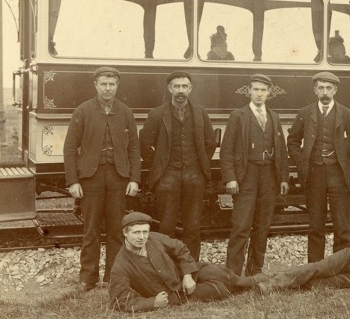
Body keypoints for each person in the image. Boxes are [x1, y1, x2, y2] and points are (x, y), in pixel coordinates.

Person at [63, 66, 141, 291]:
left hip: (118, 178)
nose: (108, 88)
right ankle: (88, 277)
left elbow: (134, 149)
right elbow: (70, 148)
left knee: (117, 229)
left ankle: (113, 277)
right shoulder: (83, 110)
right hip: (91, 178)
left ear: (117, 86)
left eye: (112, 84)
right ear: (96, 85)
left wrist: (133, 179)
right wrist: (73, 181)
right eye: (103, 84)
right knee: (91, 229)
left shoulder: (125, 112)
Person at [109, 212, 265, 312]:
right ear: (125, 233)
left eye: (145, 232)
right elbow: (119, 301)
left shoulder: (154, 238)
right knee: (220, 290)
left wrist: (188, 275)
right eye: (136, 233)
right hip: (176, 294)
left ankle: (263, 282)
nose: (142, 237)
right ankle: (263, 283)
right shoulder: (120, 265)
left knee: (224, 275)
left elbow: (180, 248)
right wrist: (152, 303)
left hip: (186, 275)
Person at [287, 71, 350, 263]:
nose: (325, 92)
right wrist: (302, 160)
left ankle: (341, 267)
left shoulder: (347, 114)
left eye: (329, 88)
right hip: (314, 174)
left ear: (335, 90)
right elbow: (293, 141)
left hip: (339, 174)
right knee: (315, 224)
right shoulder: (305, 113)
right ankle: (315, 268)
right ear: (315, 90)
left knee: (342, 224)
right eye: (321, 88)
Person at [139, 71, 215, 262]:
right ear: (170, 89)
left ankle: (191, 267)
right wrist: (159, 167)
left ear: (190, 89)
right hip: (168, 177)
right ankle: (167, 267)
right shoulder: (157, 114)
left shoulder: (200, 113)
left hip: (194, 176)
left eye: (184, 86)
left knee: (192, 226)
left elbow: (210, 143)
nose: (180, 90)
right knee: (167, 225)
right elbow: (145, 144)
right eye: (176, 86)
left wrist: (199, 165)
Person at [221, 74, 290, 276]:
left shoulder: (274, 117)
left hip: (269, 175)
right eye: (256, 89)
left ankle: (255, 271)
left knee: (262, 226)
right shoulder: (238, 116)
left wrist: (284, 177)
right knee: (241, 225)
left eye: (263, 90)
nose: (259, 93)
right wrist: (230, 178)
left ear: (269, 93)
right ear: (248, 91)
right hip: (246, 175)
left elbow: (282, 151)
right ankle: (232, 274)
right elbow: (227, 150)